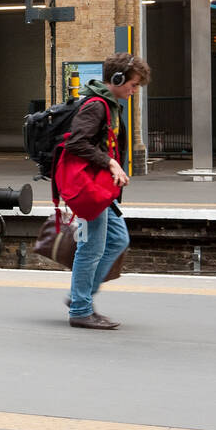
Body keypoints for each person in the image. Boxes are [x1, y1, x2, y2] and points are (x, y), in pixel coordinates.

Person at [60, 53, 150, 329]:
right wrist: (110, 162)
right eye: (132, 85)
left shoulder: (109, 105)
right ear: (118, 79)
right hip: (90, 188)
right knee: (91, 248)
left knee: (118, 239)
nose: (134, 91)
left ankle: (80, 296)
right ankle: (80, 308)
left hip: (101, 188)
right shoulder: (97, 106)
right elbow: (76, 143)